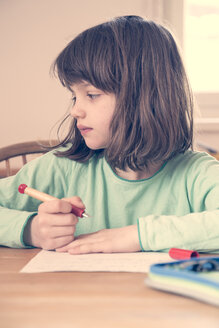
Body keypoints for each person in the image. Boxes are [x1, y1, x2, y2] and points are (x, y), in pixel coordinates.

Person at [0, 15, 219, 254]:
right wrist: (31, 229)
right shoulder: (62, 167)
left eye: (92, 94)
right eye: (75, 96)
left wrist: (138, 236)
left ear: (145, 97)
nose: (75, 110)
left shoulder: (197, 173)